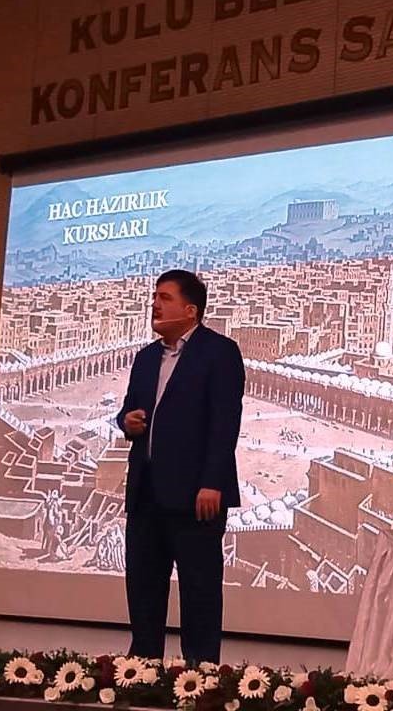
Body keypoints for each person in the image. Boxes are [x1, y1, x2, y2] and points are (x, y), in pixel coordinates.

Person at [116, 269, 245, 663]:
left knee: (200, 592)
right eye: (154, 296)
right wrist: (126, 421)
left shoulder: (219, 352)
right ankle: (142, 671)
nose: (155, 304)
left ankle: (201, 675)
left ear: (191, 310)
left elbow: (225, 422)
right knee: (143, 590)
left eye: (165, 297)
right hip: (146, 494)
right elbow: (129, 409)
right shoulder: (145, 358)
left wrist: (212, 481)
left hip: (196, 497)